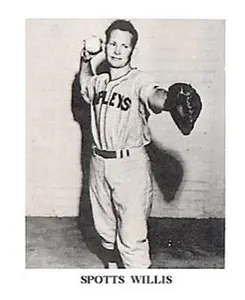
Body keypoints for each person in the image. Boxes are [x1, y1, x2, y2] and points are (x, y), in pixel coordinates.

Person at [79, 19, 189, 269]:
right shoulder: (99, 81)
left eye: (124, 46)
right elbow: (83, 83)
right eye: (113, 44)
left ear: (132, 50)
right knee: (105, 230)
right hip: (99, 163)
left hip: (130, 166)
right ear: (105, 45)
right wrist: (85, 59)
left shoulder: (138, 80)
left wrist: (170, 102)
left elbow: (154, 95)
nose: (117, 51)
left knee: (132, 237)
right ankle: (113, 274)